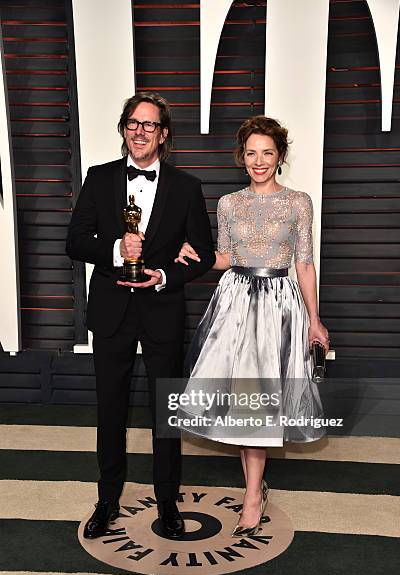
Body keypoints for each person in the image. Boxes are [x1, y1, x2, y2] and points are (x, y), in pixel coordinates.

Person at [66, 92, 215, 539]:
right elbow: (75, 241)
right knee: (110, 409)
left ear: (163, 134)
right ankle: (107, 500)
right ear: (124, 128)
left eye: (150, 125)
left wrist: (165, 275)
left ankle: (168, 503)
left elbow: (203, 253)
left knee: (164, 412)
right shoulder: (99, 178)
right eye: (133, 123)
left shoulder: (187, 187)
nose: (140, 131)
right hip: (111, 310)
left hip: (161, 310)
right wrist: (114, 249)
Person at [174, 115, 329, 537]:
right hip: (236, 302)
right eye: (251, 153)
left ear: (280, 157)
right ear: (242, 158)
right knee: (247, 401)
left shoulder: (299, 202)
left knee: (256, 400)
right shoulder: (228, 203)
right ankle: (254, 491)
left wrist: (315, 320)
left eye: (267, 153)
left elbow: (304, 262)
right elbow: (224, 256)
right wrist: (197, 255)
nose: (259, 161)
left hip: (279, 304)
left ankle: (252, 494)